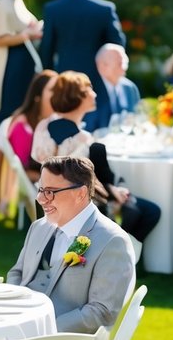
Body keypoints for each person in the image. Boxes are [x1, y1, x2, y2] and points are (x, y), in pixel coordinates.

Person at [6, 156, 136, 333]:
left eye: (50, 192)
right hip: (17, 329)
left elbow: (102, 312)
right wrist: (12, 313)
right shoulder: (39, 227)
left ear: (80, 193)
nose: (41, 199)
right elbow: (17, 273)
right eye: (40, 190)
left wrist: (43, 330)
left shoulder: (112, 241)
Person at [31, 71, 160, 244]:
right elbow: (80, 180)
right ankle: (117, 253)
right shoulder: (83, 140)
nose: (95, 94)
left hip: (48, 201)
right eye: (89, 90)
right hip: (81, 207)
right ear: (77, 98)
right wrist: (113, 190)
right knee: (148, 211)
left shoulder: (43, 127)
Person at [38, 0, 125, 99]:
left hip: (64, 77)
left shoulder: (52, 9)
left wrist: (49, 77)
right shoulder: (105, 9)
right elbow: (117, 44)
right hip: (97, 78)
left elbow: (47, 47)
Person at [0, 70, 57, 215]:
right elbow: (23, 169)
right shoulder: (23, 127)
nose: (59, 95)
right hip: (40, 180)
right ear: (38, 96)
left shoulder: (52, 122)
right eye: (53, 90)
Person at [92, 43, 140, 133]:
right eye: (119, 63)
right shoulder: (90, 89)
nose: (124, 67)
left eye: (125, 62)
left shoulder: (130, 88)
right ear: (102, 66)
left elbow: (136, 119)